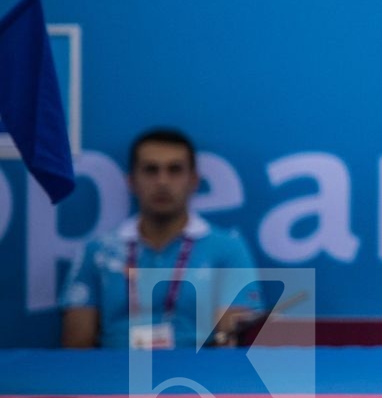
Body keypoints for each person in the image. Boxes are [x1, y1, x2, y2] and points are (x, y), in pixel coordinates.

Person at [60, 128, 263, 349]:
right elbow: (76, 347)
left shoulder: (227, 248)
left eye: (174, 170)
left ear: (193, 181)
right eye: (150, 170)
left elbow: (234, 341)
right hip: (115, 375)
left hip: (199, 376)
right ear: (131, 181)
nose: (162, 181)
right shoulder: (98, 251)